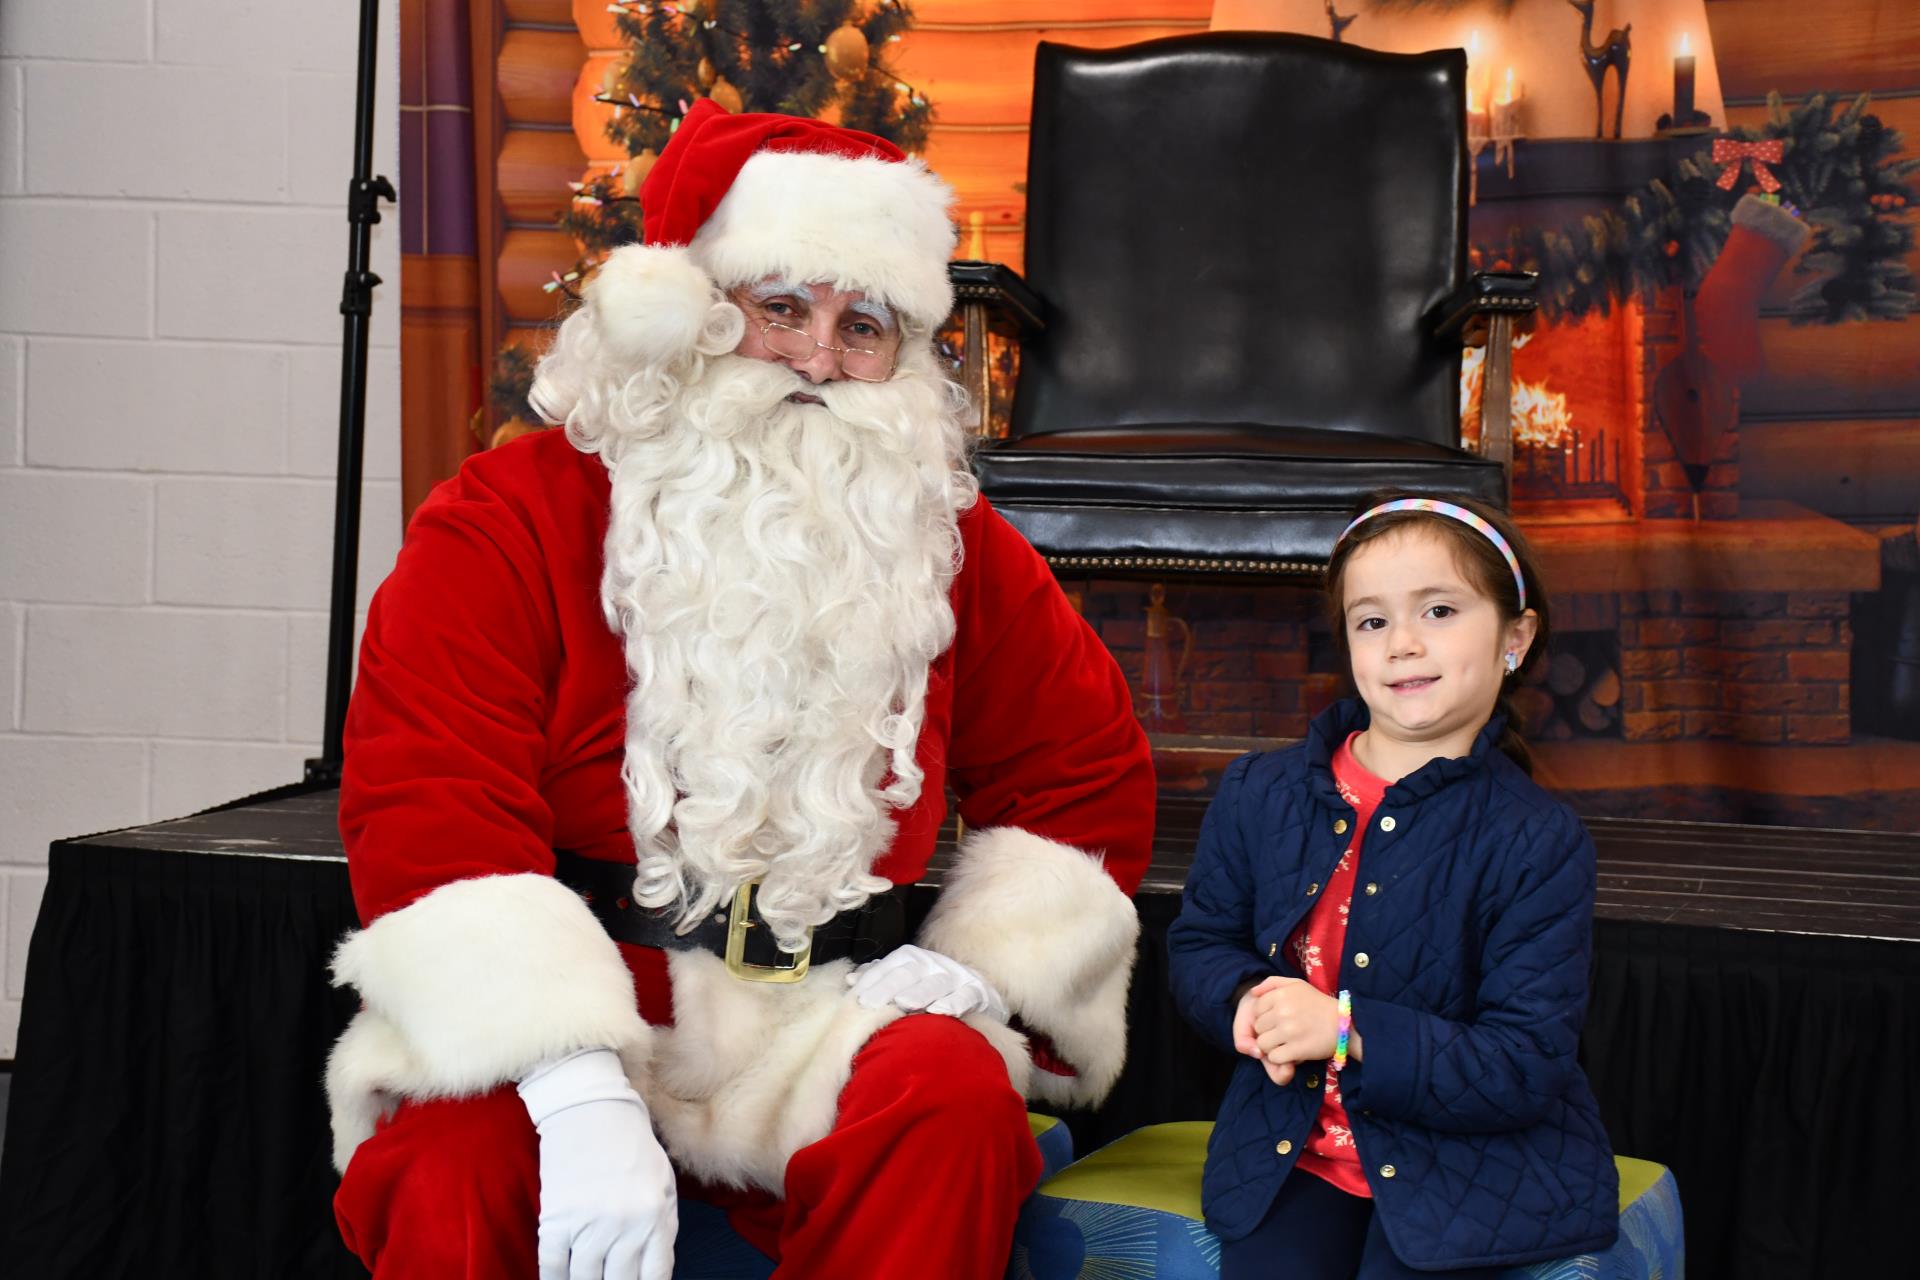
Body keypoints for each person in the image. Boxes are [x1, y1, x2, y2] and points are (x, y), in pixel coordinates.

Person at [324, 100, 1155, 1280]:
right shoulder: (503, 521)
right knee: (455, 1166)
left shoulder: (950, 545)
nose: (819, 358)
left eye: (862, 325)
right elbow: (430, 797)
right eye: (781, 309)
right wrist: (568, 1075)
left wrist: (981, 965)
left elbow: (1085, 766)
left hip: (822, 1016)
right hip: (571, 1010)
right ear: (688, 313)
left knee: (951, 1100)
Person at [1167, 494, 1618, 1278]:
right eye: (1371, 621)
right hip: (1292, 1155)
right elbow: (1203, 943)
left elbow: (1523, 1062)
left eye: (1439, 610)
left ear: (1517, 637)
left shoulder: (1537, 841)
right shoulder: (1260, 791)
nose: (1403, 644)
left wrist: (1343, 1030)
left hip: (1470, 1172)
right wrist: (1246, 1005)